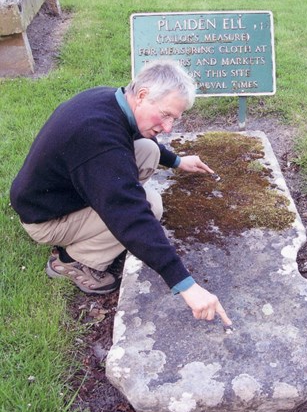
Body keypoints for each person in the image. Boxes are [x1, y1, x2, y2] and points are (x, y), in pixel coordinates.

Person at [10, 59, 231, 326]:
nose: (169, 127)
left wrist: (177, 161)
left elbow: (132, 137)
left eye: (175, 118)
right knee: (149, 206)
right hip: (47, 219)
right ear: (142, 96)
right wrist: (186, 285)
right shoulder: (98, 138)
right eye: (166, 115)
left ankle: (102, 211)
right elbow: (130, 215)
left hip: (59, 193)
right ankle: (71, 262)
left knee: (147, 149)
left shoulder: (108, 99)